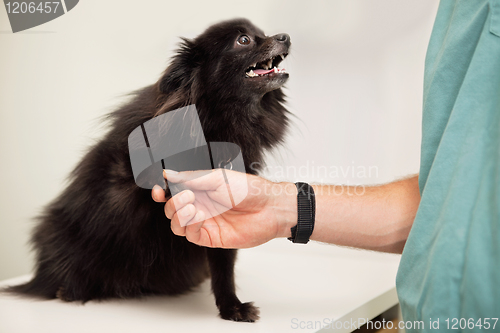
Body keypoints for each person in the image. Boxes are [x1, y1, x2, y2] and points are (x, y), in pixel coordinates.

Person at [153, 0, 500, 331]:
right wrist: (279, 208)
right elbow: (447, 203)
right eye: (244, 40)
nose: (278, 38)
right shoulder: (172, 127)